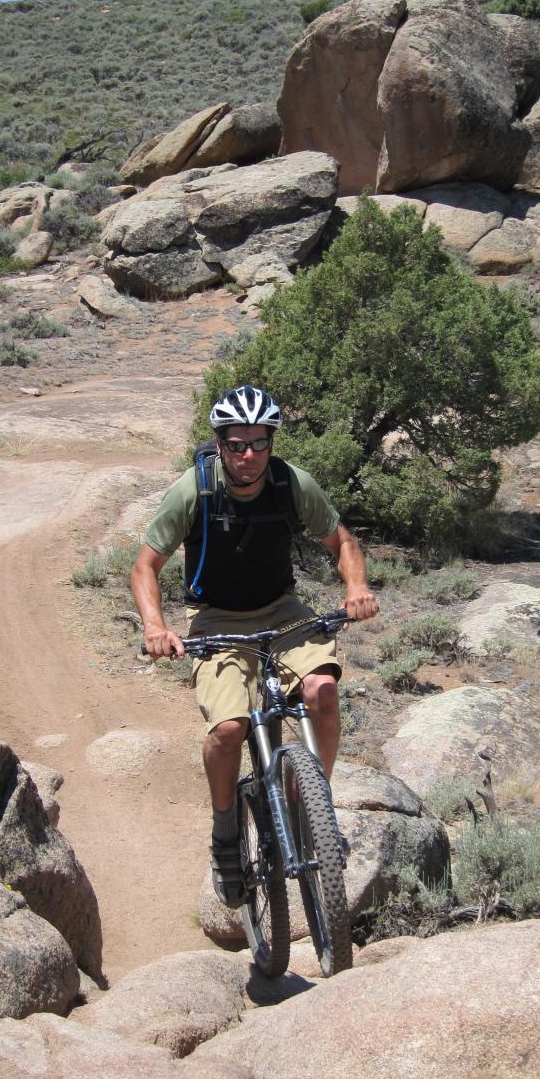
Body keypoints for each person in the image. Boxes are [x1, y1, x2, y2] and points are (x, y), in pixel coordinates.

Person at [131, 384, 379, 907]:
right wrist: (156, 626)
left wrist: (355, 586)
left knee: (322, 691)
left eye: (259, 443)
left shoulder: (291, 483)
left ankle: (312, 804)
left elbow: (343, 542)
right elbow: (144, 566)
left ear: (271, 442)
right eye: (237, 444)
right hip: (216, 618)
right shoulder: (193, 490)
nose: (249, 456)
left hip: (282, 611)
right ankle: (226, 834)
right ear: (219, 444)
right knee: (228, 729)